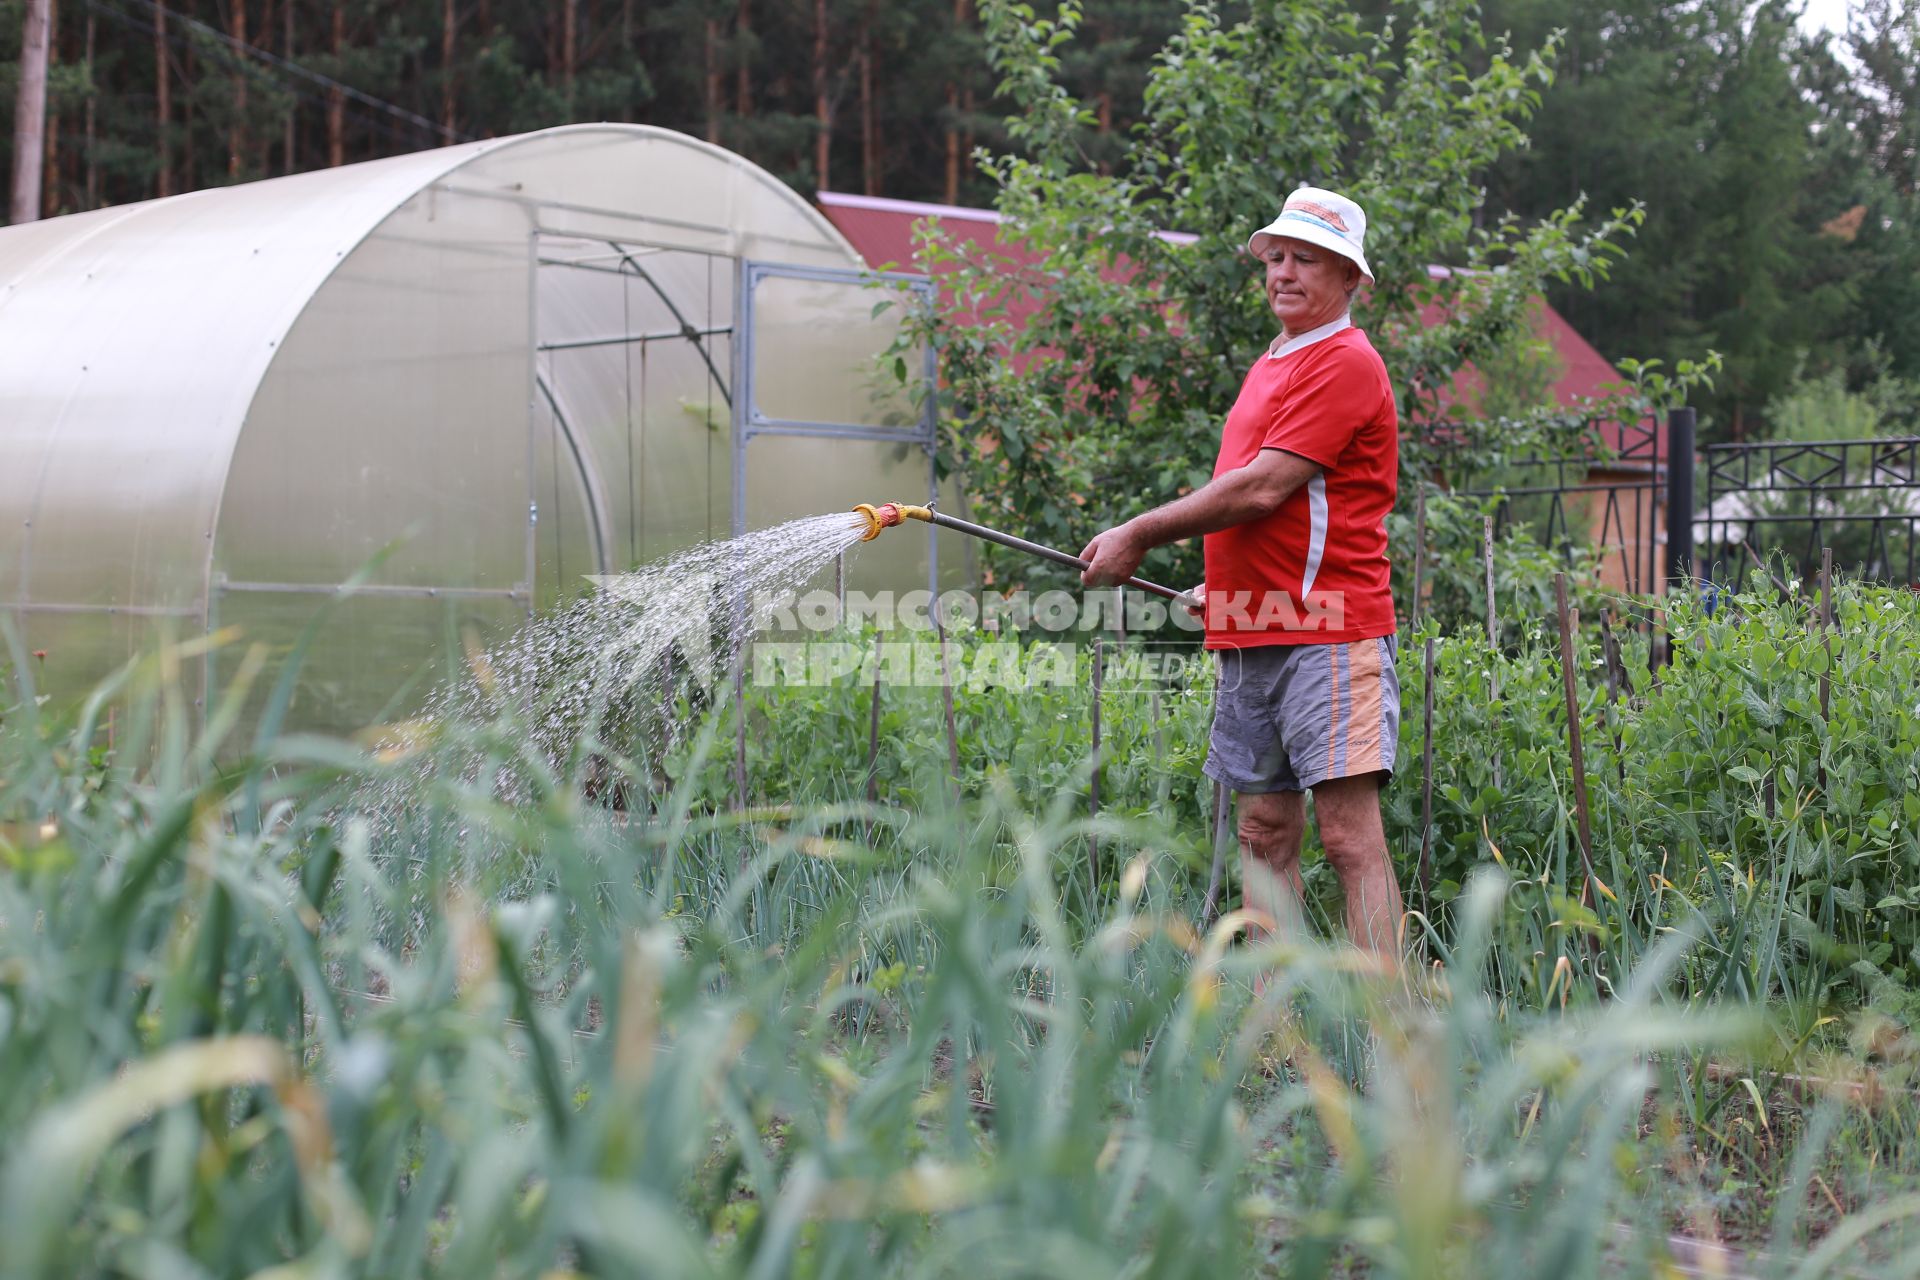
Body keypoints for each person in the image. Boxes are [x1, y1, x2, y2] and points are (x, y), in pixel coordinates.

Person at [1079, 186, 1403, 963]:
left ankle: (1393, 1033)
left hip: (1330, 630)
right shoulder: (1273, 362)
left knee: (1348, 839)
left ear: (1350, 278)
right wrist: (1226, 592)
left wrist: (1138, 535)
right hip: (1257, 628)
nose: (1284, 272)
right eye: (1278, 256)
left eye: (1308, 259)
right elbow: (1267, 512)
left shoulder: (1346, 361)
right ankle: (1280, 1025)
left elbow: (1262, 487)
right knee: (1262, 834)